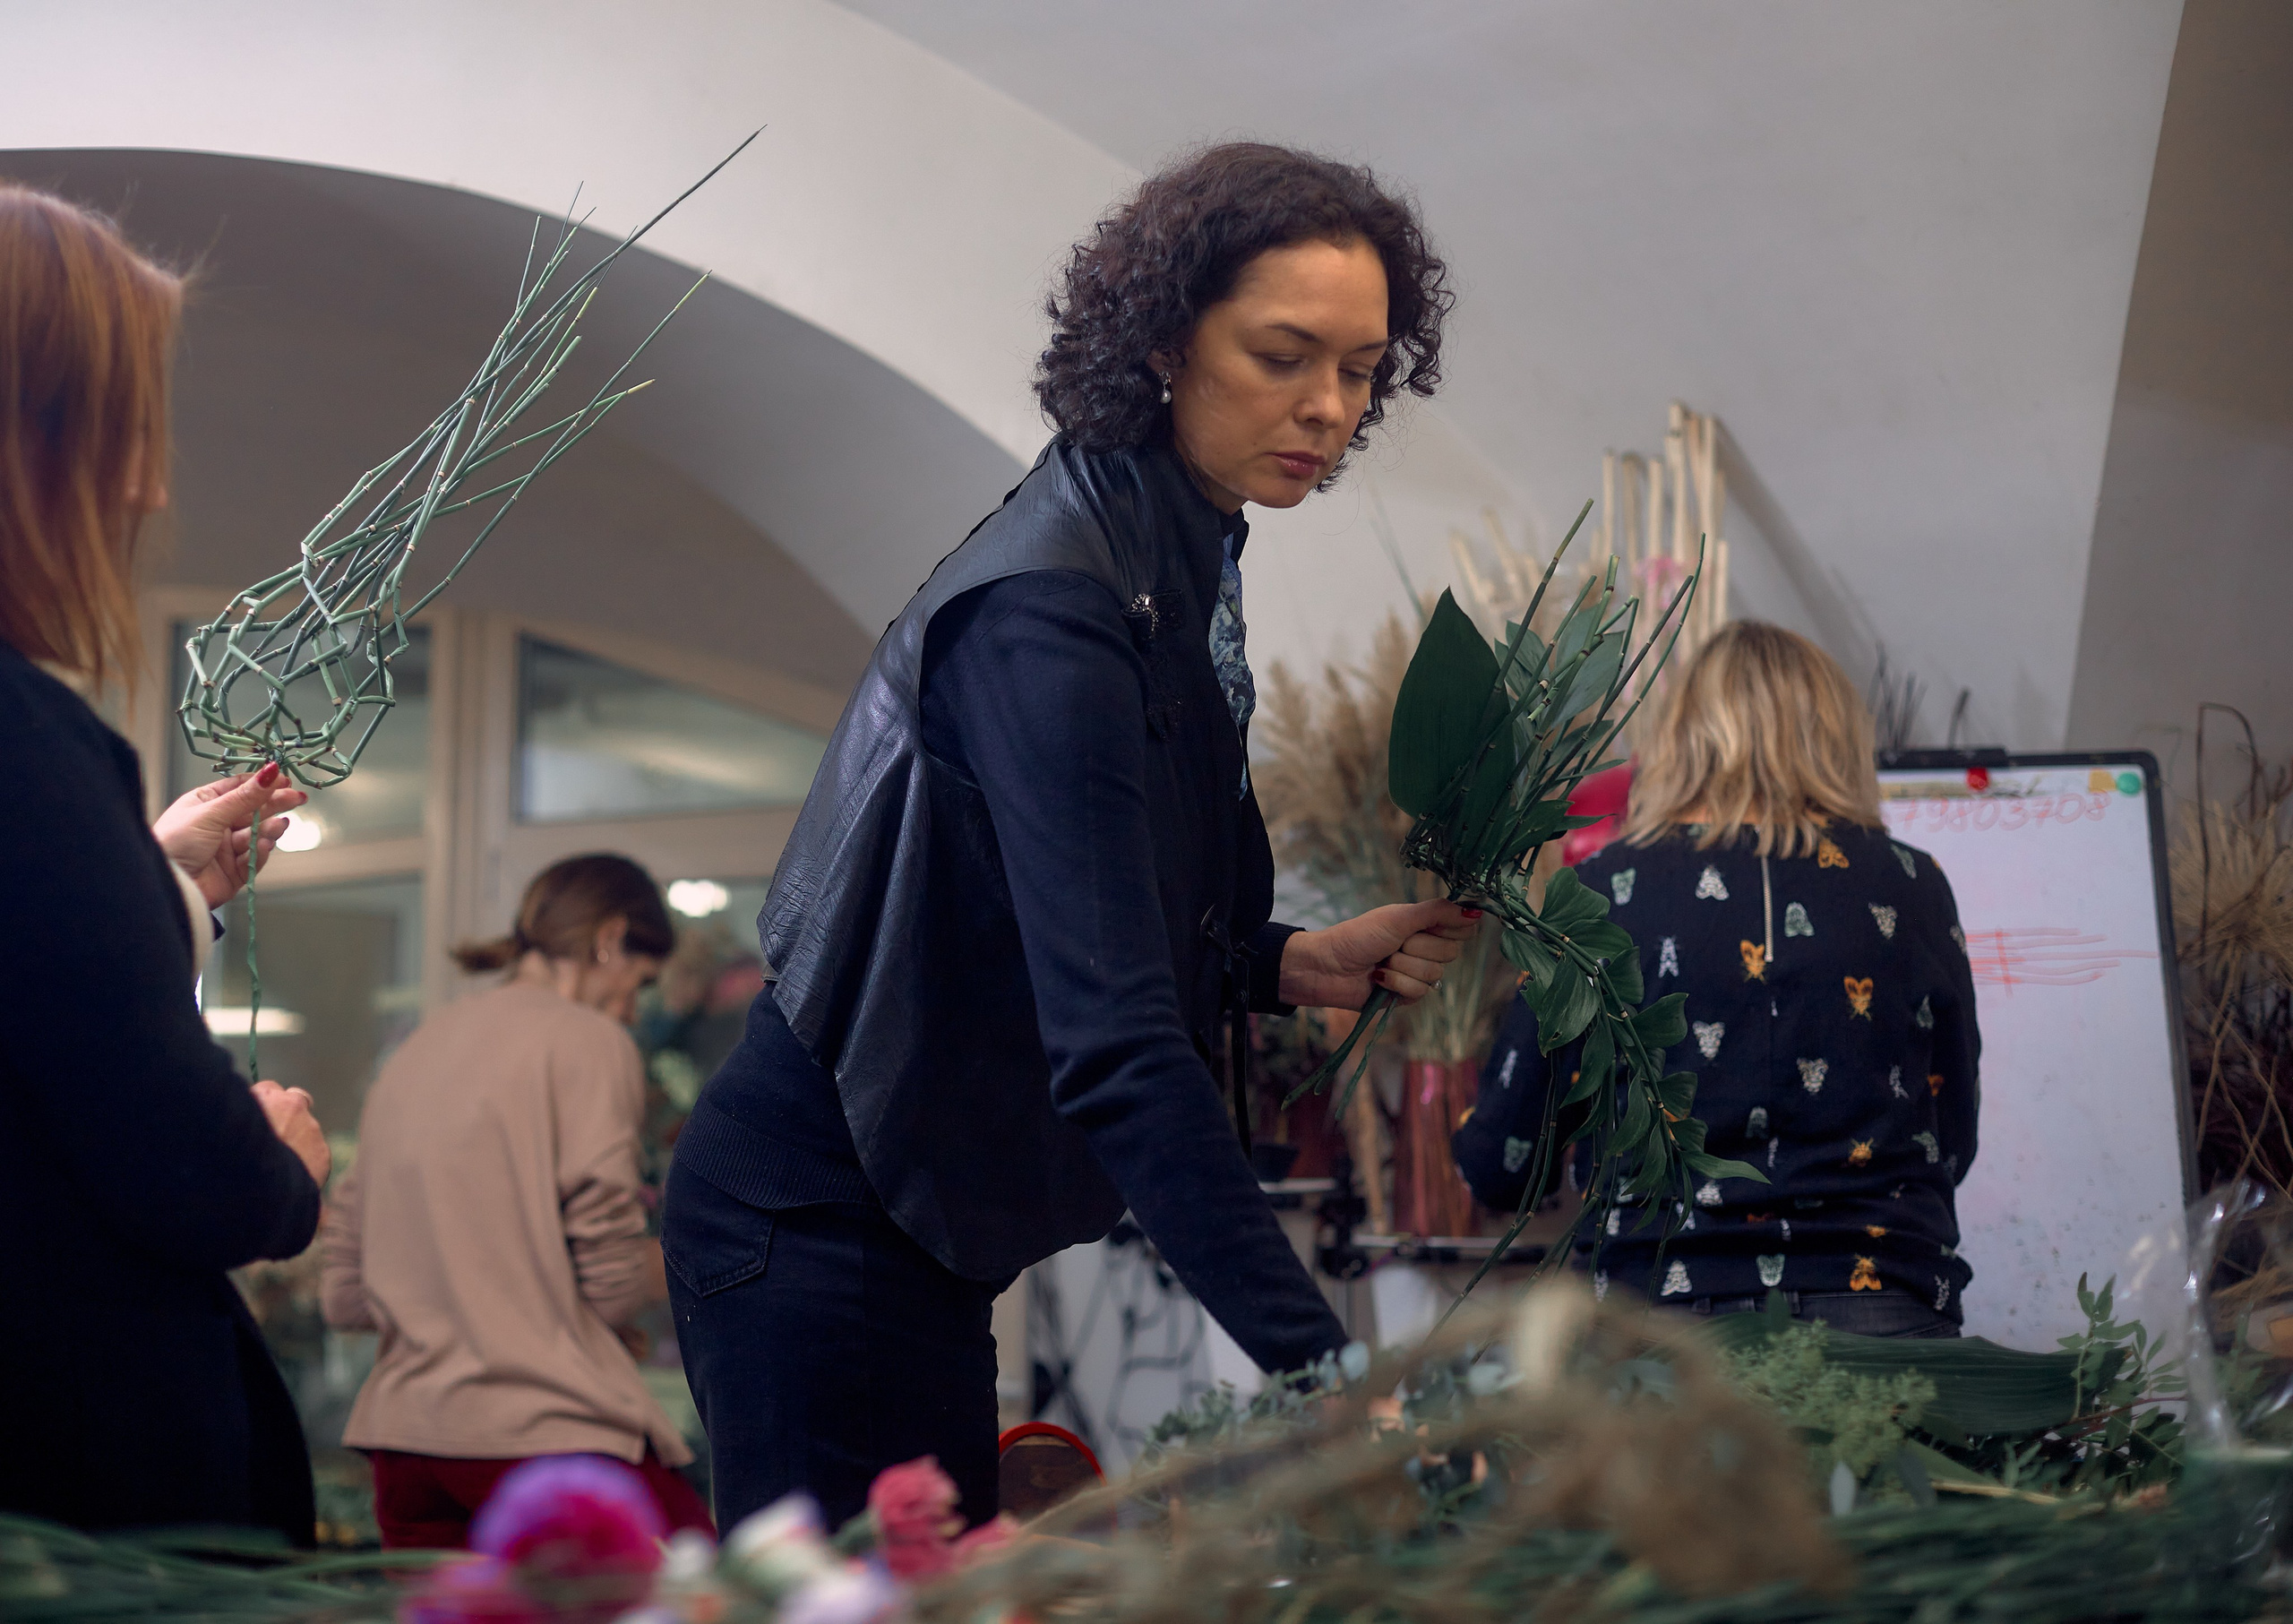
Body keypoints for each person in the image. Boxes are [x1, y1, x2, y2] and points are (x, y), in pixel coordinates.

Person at [666, 142, 1477, 1531]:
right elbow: (1113, 1046)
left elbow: (1075, 907)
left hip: (901, 1229)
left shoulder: (1169, 545)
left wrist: (1288, 959)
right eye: (1285, 355)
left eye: (1361, 369)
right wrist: (1332, 1368)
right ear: (1164, 339)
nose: (1331, 407)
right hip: (809, 1225)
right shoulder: (1052, 611)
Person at [0, 184, 330, 1541]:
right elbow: (175, 1163)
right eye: (128, 428)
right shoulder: (26, 739)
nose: (150, 486)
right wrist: (277, 1163)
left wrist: (144, 881)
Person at [1453, 622, 1981, 1337]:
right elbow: (1951, 1139)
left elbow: (1509, 1162)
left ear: (1677, 736)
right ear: (1839, 737)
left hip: (1657, 1329)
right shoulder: (1915, 886)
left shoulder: (1602, 892)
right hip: (1884, 1310)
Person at [321, 854, 714, 1547]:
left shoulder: (414, 1050)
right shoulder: (590, 1041)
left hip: (406, 1450)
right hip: (542, 1437)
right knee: (711, 1593)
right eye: (639, 984)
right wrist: (685, 1257)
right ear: (610, 937)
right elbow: (610, 1283)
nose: (629, 1010)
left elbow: (345, 1294)